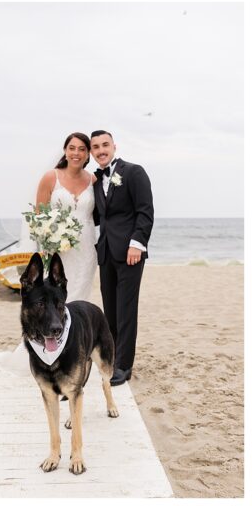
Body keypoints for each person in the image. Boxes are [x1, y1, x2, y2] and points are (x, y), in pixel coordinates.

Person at [90, 130, 153, 386]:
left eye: (105, 145)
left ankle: (124, 366)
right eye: (96, 147)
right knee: (110, 311)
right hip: (105, 252)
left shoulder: (134, 172)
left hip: (130, 253)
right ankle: (113, 357)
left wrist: (137, 243)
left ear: (114, 146)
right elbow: (96, 216)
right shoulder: (94, 181)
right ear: (92, 152)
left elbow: (145, 211)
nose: (101, 150)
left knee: (127, 310)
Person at [32, 132, 97, 302]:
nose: (76, 153)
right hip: (59, 248)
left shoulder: (93, 180)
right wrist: (49, 240)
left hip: (86, 247)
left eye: (82, 149)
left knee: (81, 296)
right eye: (72, 148)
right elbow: (39, 216)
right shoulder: (50, 177)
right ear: (65, 150)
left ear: (88, 153)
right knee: (58, 295)